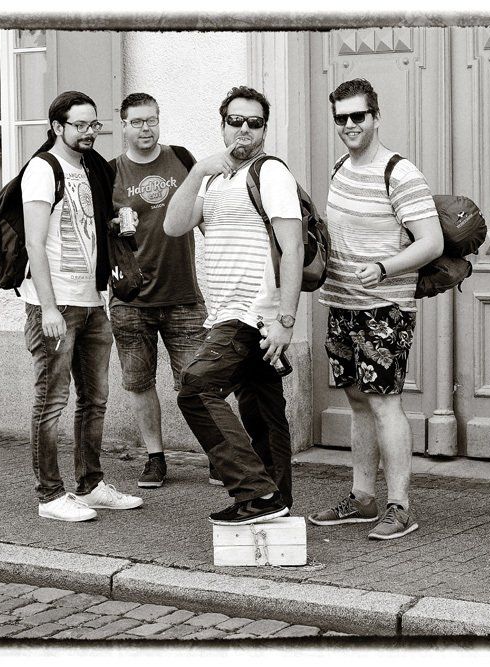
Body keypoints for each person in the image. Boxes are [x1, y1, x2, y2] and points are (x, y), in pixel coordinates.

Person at [307, 78, 443, 541]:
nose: (349, 125)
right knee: (357, 402)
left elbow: (431, 242)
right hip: (341, 303)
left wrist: (385, 267)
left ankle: (399, 506)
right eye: (341, 118)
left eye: (358, 116)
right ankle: (363, 497)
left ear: (376, 116)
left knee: (385, 402)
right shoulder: (340, 168)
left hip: (384, 308)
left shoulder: (400, 174)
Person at [163, 85, 302, 526]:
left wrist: (285, 320)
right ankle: (275, 503)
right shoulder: (212, 178)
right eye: (236, 121)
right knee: (262, 411)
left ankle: (256, 492)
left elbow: (293, 248)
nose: (244, 129)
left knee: (195, 388)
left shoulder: (270, 172)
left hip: (251, 313)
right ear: (223, 125)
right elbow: (174, 225)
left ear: (264, 129)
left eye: (254, 122)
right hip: (227, 312)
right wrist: (196, 171)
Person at [21, 90, 143, 522]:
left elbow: (84, 226)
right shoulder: (43, 169)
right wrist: (49, 308)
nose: (90, 132)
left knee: (95, 400)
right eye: (80, 125)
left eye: (94, 124)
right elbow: (34, 243)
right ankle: (50, 495)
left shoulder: (91, 168)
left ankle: (89, 486)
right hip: (57, 305)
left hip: (92, 301)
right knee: (51, 401)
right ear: (57, 127)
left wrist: (117, 223)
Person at [109, 92, 208, 489]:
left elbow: (206, 216)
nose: (145, 128)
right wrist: (115, 228)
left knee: (200, 382)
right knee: (139, 383)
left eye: (151, 120)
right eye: (136, 122)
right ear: (124, 126)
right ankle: (155, 458)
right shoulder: (109, 172)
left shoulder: (182, 159)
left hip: (184, 295)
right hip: (131, 299)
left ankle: (217, 456)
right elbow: (96, 232)